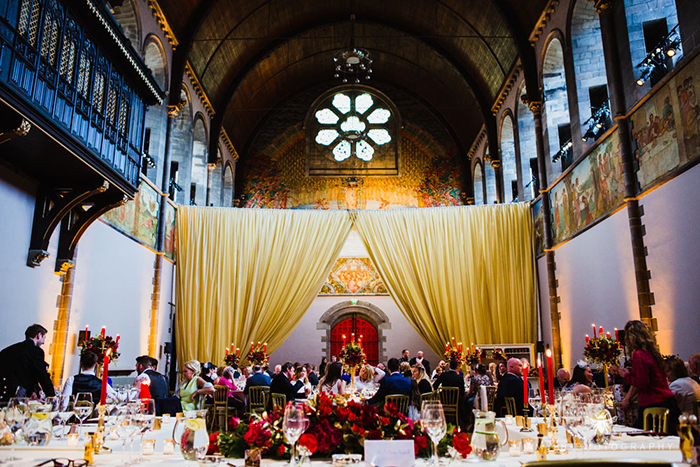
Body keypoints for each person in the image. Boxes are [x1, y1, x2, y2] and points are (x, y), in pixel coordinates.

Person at [618, 320, 680, 433]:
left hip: (653, 403)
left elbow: (642, 382)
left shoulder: (638, 354)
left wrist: (626, 375)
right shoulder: (652, 352)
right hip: (666, 400)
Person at [0, 324, 55, 401]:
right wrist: (52, 397)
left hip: (3, 394)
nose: (43, 343)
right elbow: (42, 376)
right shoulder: (36, 351)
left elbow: (21, 373)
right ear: (39, 335)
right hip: (17, 397)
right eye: (44, 338)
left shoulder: (8, 350)